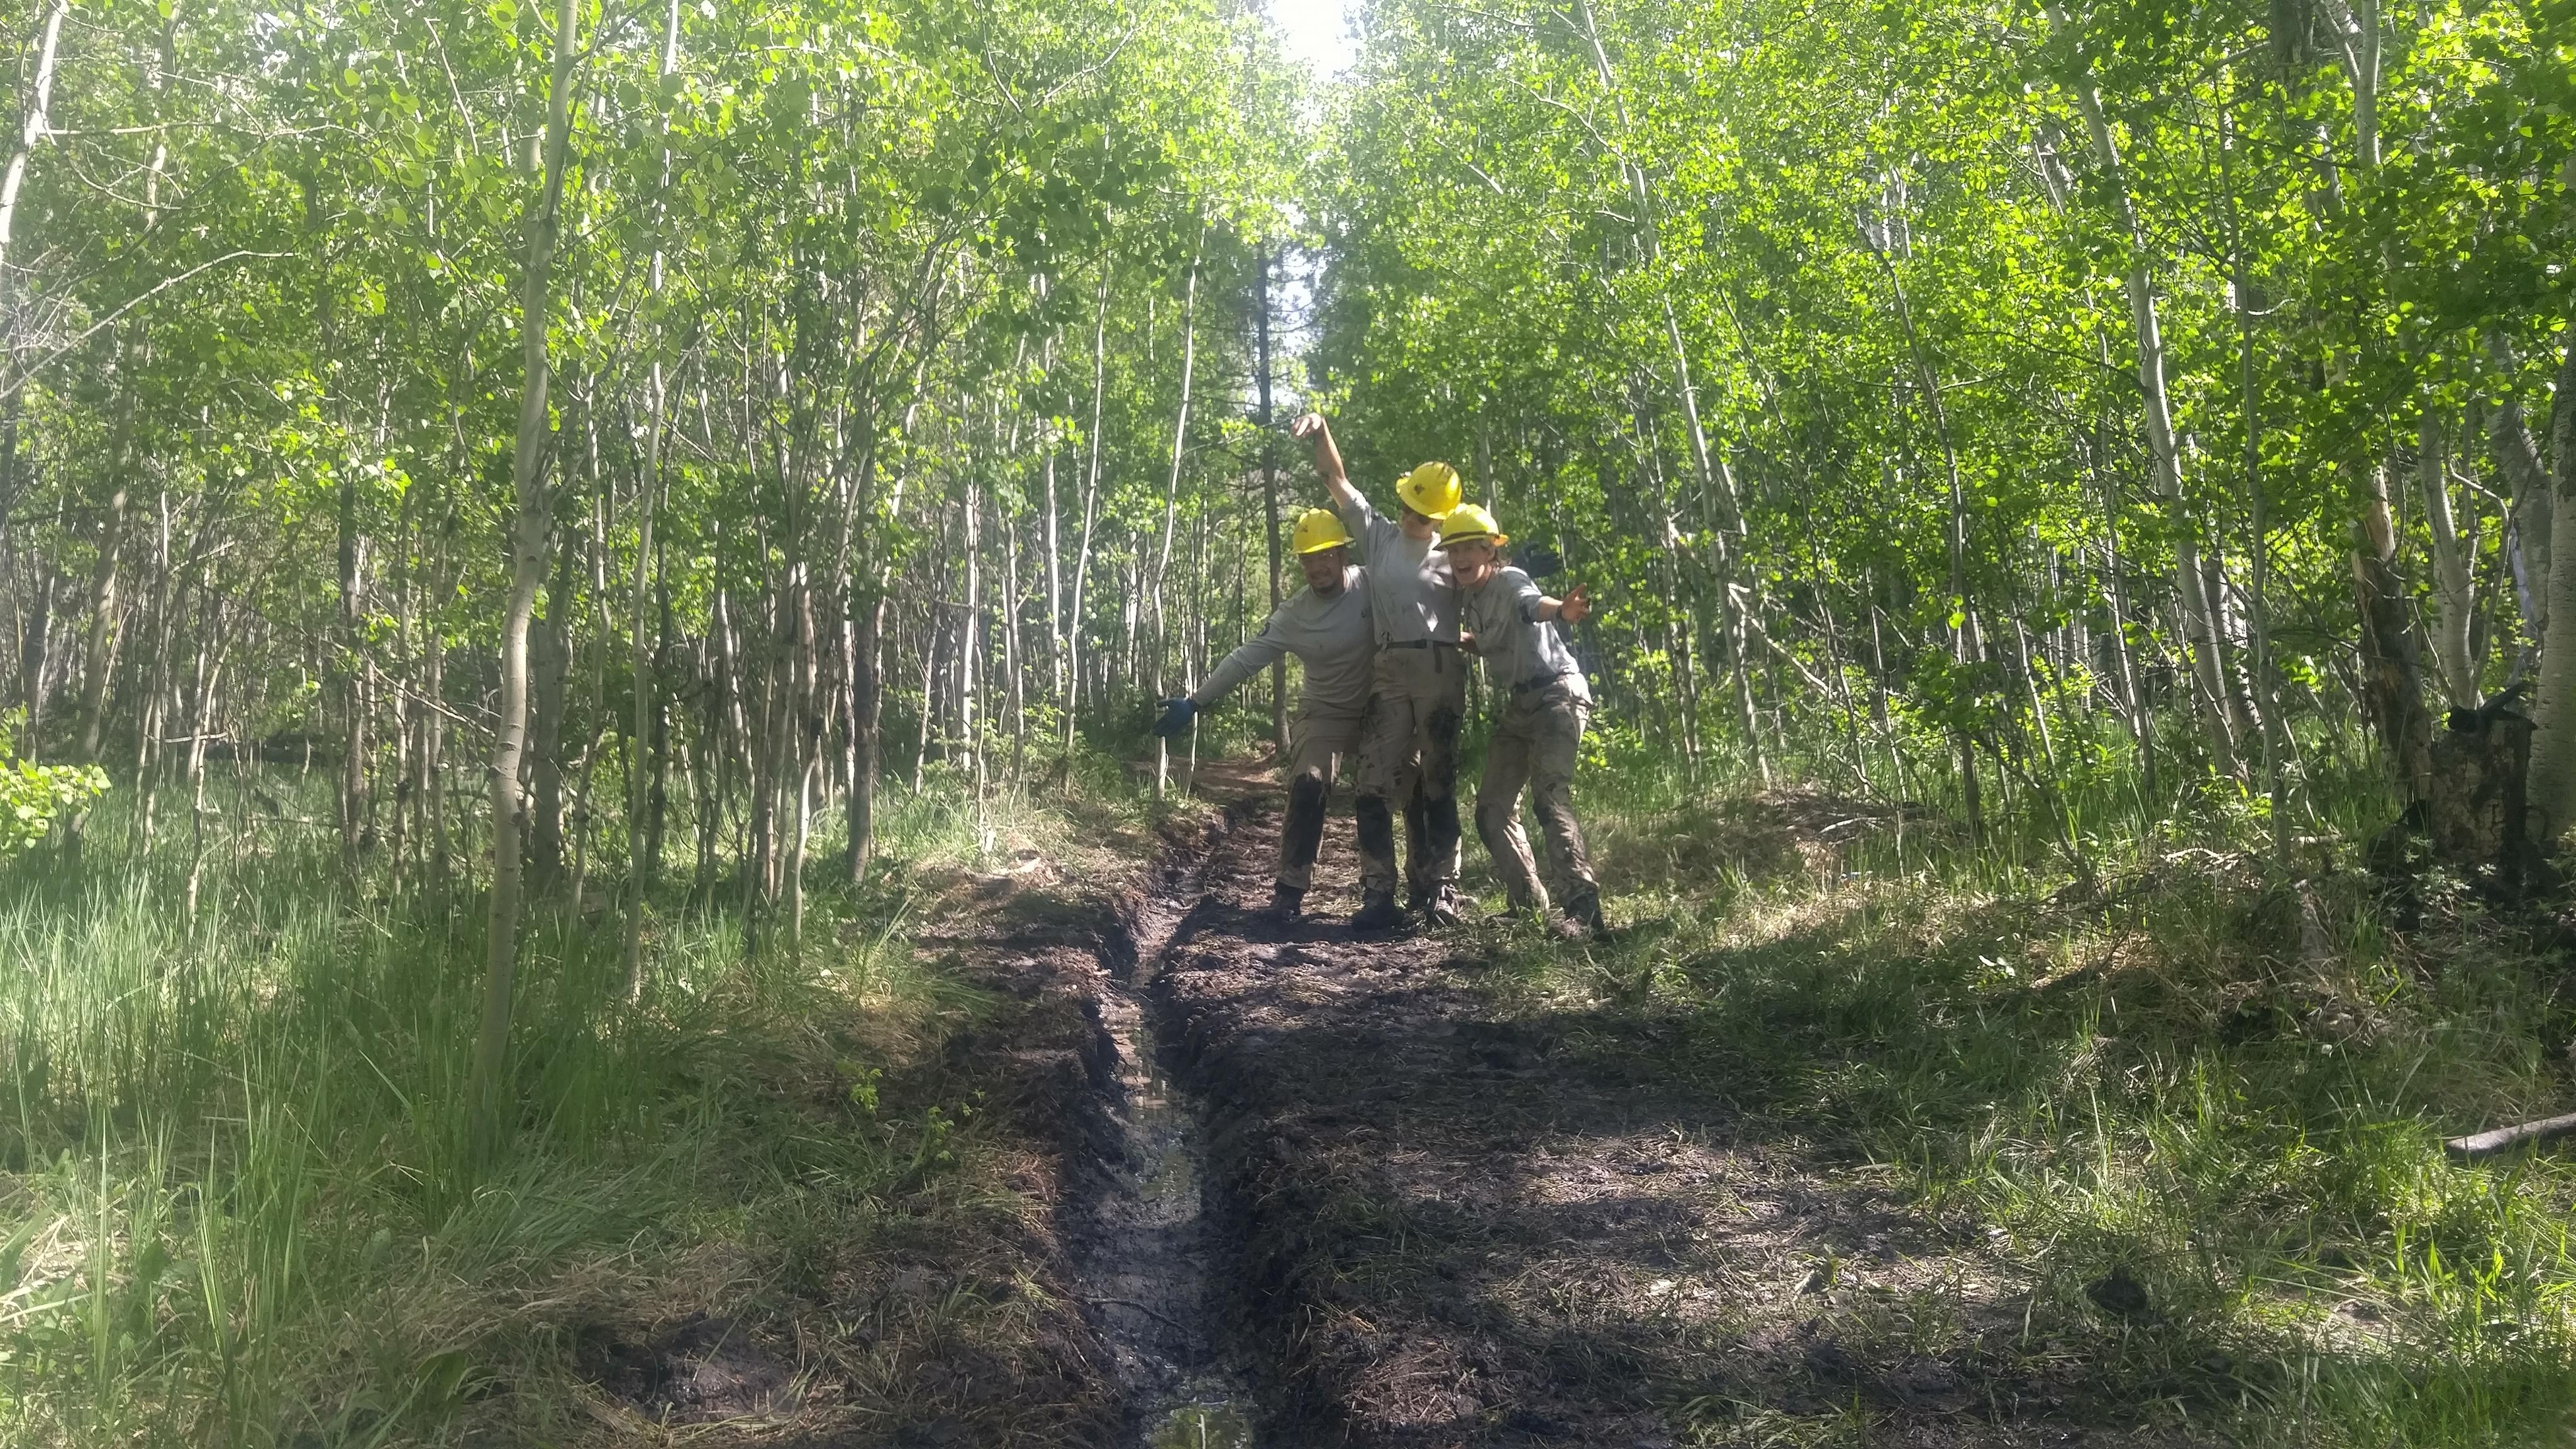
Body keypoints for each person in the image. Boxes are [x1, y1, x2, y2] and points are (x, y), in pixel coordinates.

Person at [1287, 412, 1467, 933]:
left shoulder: (1455, 553)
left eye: (1425, 513)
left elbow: (1491, 588)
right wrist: (1321, 431)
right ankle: (1377, 893)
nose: (1414, 517)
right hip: (1389, 671)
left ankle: (1441, 890)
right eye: (1411, 506)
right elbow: (1334, 480)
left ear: (1442, 517)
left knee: (1437, 780)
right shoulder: (1380, 537)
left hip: (1441, 668)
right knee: (1371, 783)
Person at [1154, 508, 1375, 921]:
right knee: (1308, 784)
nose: (1317, 566)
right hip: (1324, 711)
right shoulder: (1294, 614)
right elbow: (1244, 660)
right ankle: (1289, 891)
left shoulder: (1373, 584)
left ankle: (1403, 892)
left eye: (1325, 555)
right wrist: (1195, 701)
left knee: (1398, 787)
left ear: (1343, 554)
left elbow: (1428, 589)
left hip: (1381, 707)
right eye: (1308, 559)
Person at [1440, 503, 1609, 939]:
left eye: (1469, 548)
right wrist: (1461, 641)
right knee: (1492, 808)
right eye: (1453, 549)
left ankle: (1584, 911)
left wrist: (1561, 611)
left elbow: (1532, 606)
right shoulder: (1470, 598)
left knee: (1550, 797)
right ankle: (1528, 904)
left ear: (1489, 550)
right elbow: (1495, 640)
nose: (1460, 557)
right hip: (1520, 704)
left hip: (1558, 693)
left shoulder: (1511, 580)